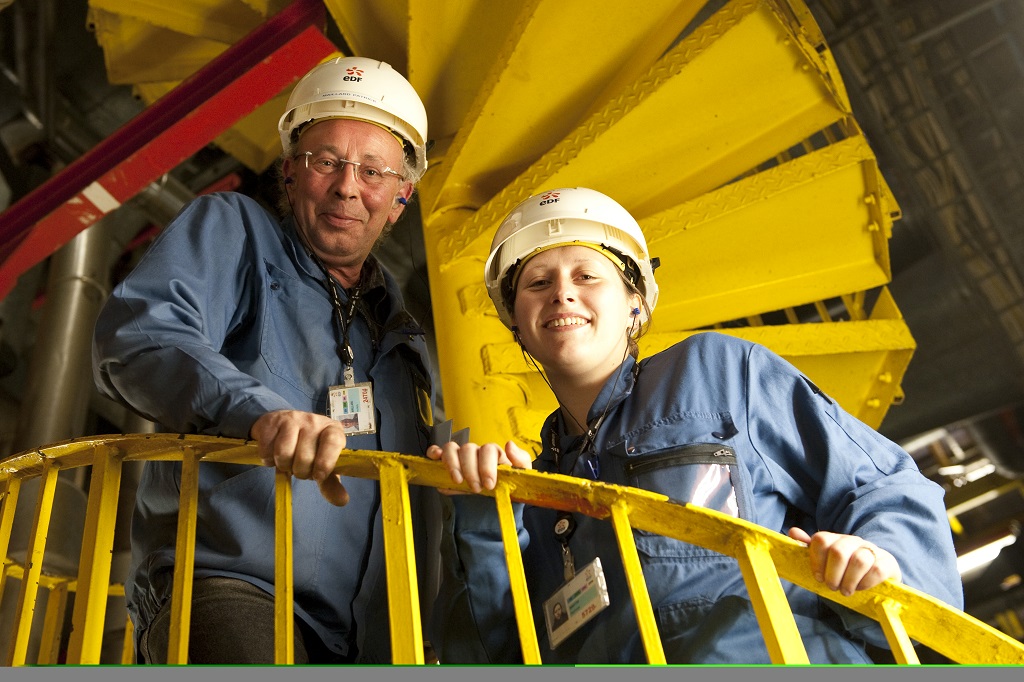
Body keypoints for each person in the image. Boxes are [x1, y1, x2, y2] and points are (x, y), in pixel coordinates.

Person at [426, 187, 963, 664]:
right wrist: (486, 514)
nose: (561, 293)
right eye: (537, 282)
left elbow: (883, 484)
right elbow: (500, 649)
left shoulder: (718, 372)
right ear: (517, 324)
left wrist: (877, 556)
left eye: (587, 275)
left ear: (636, 304)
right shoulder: (535, 492)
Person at [93, 56, 439, 664]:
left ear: (400, 198)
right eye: (325, 160)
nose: (347, 186)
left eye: (374, 171)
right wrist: (259, 413)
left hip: (373, 639)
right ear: (290, 172)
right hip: (231, 588)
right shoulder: (236, 231)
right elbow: (143, 332)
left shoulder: (406, 343)